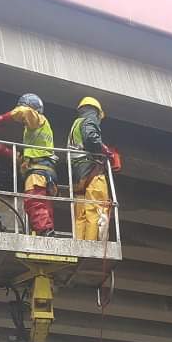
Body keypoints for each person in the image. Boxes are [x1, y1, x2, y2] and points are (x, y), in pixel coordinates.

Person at [0, 93, 57, 236]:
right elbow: (26, 159)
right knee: (44, 204)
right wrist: (5, 152)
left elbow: (24, 112)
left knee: (33, 200)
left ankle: (44, 231)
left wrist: (4, 118)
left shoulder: (37, 120)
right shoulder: (38, 131)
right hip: (45, 171)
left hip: (38, 172)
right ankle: (46, 230)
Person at [67, 96, 121, 241]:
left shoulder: (75, 124)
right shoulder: (89, 121)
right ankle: (93, 245)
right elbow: (91, 138)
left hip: (78, 174)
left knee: (81, 213)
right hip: (92, 171)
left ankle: (80, 244)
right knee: (96, 209)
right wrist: (107, 152)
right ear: (96, 113)